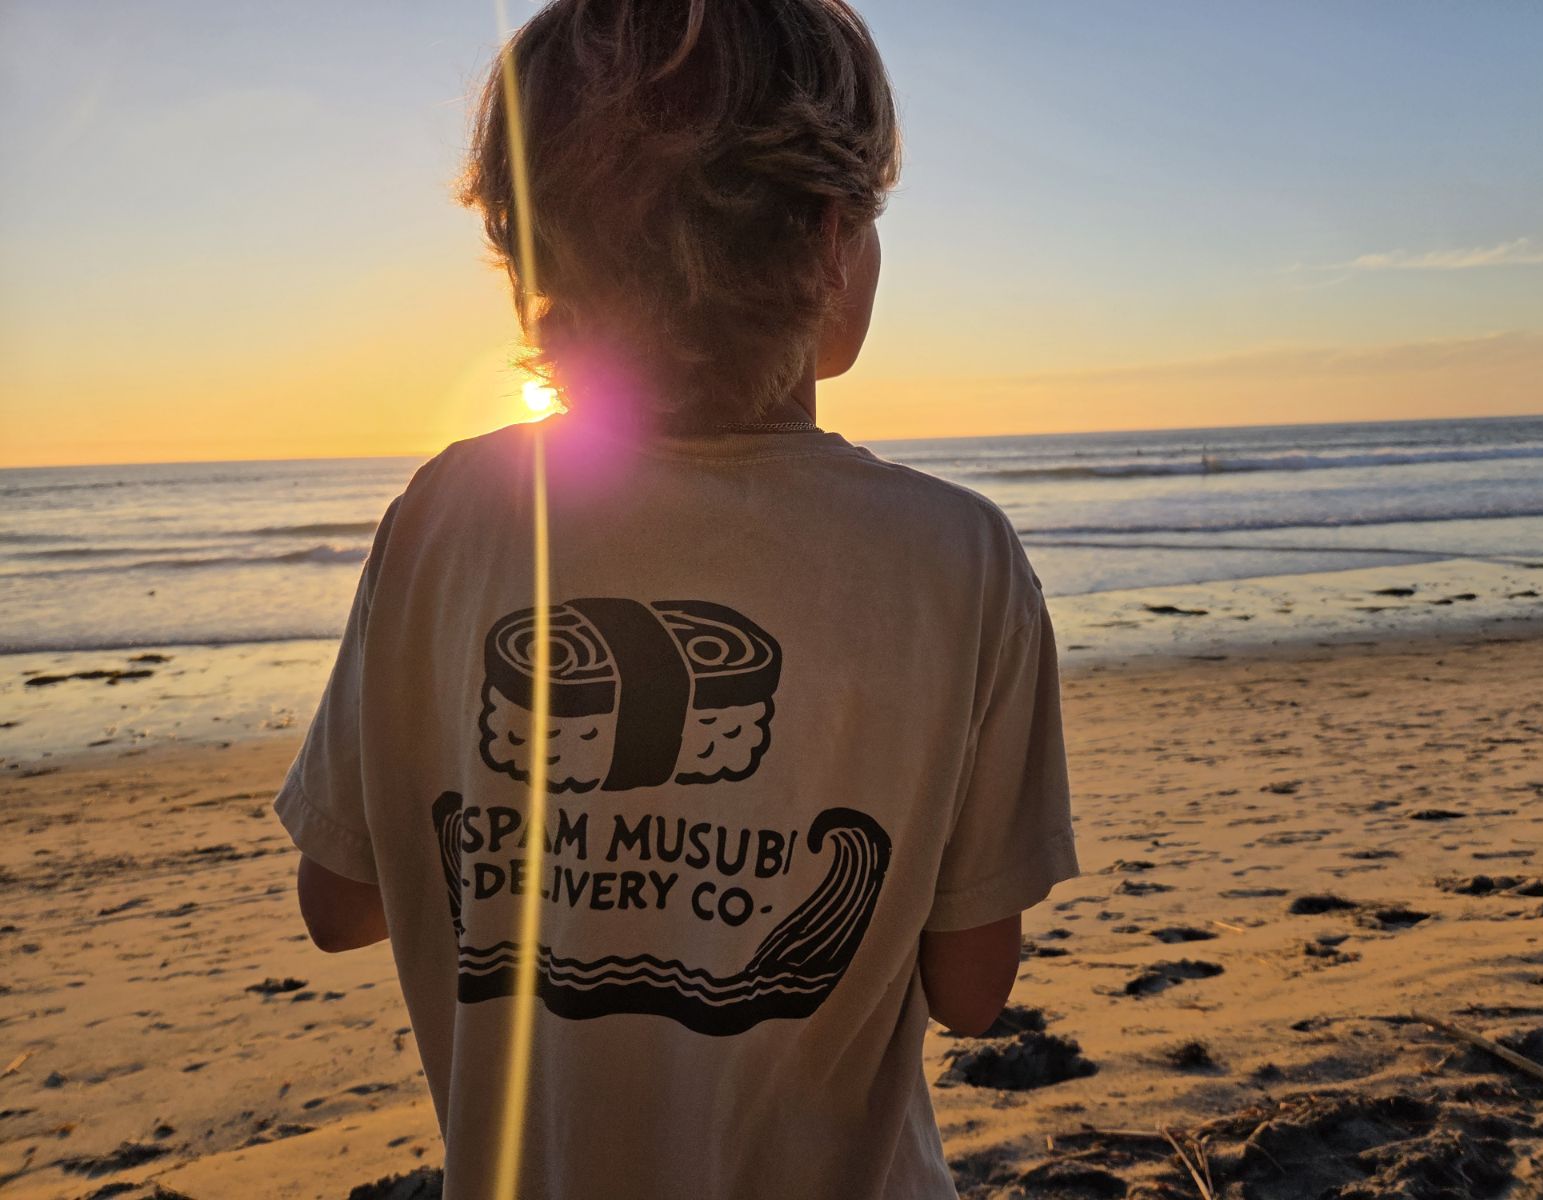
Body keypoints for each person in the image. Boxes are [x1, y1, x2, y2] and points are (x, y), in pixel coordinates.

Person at [273, 1, 1078, 1196]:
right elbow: (971, 991)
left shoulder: (447, 516)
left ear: (529, 258)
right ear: (825, 240)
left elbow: (339, 902)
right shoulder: (955, 557)